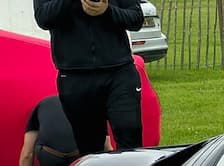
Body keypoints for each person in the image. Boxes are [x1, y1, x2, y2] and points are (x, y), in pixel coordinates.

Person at [33, 0, 145, 157]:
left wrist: (107, 11)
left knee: (129, 134)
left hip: (119, 72)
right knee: (90, 147)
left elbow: (136, 19)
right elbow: (44, 18)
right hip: (75, 76)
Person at [17, 96, 82, 166]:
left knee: (42, 147)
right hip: (78, 156)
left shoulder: (41, 105)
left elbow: (27, 154)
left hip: (49, 156)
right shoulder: (86, 103)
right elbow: (105, 144)